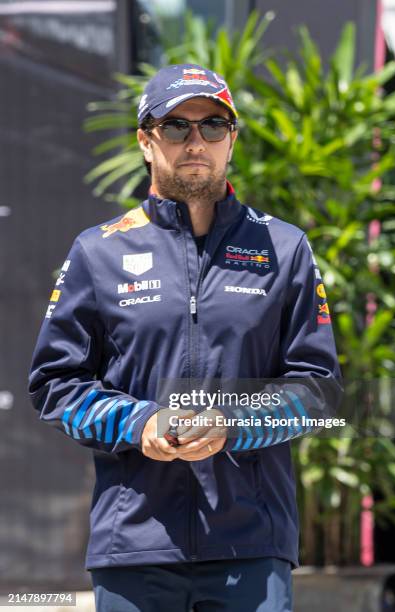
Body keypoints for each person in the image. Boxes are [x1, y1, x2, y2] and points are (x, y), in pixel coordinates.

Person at [29, 64, 341, 611]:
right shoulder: (98, 252)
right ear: (146, 141)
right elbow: (55, 384)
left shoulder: (285, 248)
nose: (196, 142)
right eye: (176, 127)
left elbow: (318, 390)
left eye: (213, 126)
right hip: (133, 545)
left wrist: (232, 424)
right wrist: (140, 422)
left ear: (232, 140)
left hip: (253, 545)